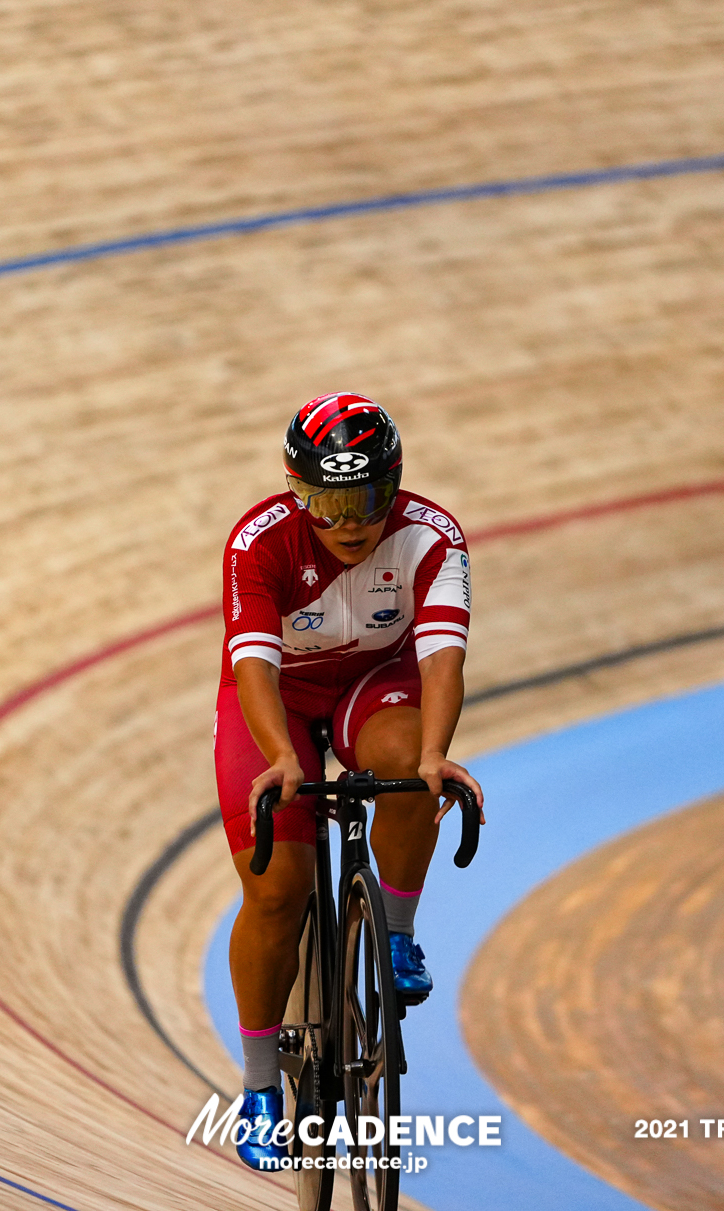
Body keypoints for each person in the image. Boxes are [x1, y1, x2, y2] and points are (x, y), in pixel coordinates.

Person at [214, 391, 484, 1171]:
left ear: (392, 487)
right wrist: (283, 759)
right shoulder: (257, 545)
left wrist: (435, 755)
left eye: (362, 499)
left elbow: (442, 660)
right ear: (297, 494)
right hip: (278, 702)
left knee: (407, 769)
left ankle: (395, 935)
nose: (345, 521)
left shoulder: (434, 538)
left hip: (377, 682)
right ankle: (262, 1087)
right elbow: (254, 668)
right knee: (277, 888)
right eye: (324, 503)